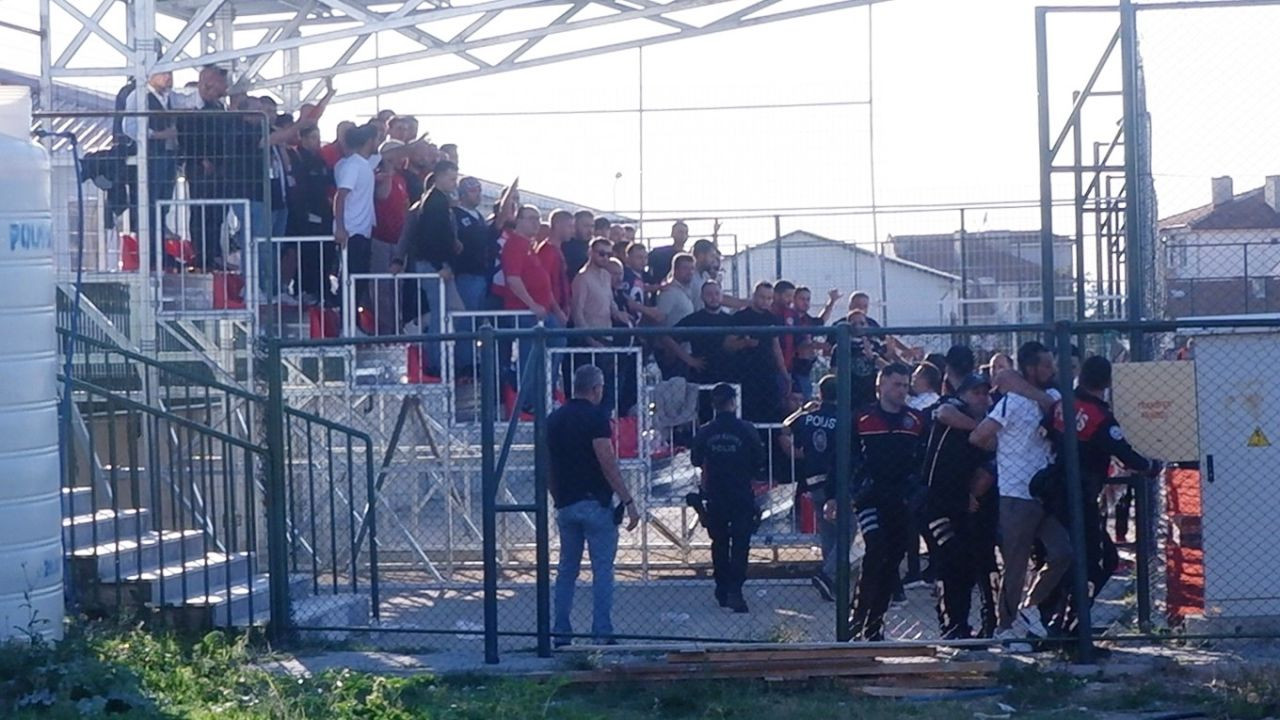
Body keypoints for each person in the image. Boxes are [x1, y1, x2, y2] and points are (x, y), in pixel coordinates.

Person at [1042, 356, 1161, 640]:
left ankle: (1061, 621)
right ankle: (1071, 626)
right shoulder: (1099, 416)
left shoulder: (1063, 406)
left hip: (1055, 493)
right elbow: (1125, 453)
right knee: (1100, 560)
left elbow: (1046, 430)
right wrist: (1152, 466)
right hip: (1079, 496)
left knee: (1075, 558)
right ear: (1108, 382)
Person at [969, 341, 1067, 649]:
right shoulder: (1010, 403)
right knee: (1015, 563)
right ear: (1031, 368)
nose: (1051, 370)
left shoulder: (1052, 396)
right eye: (1045, 365)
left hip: (1044, 494)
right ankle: (1005, 628)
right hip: (1015, 493)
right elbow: (979, 435)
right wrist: (1005, 451)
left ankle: (1029, 606)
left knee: (1063, 551)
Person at [548, 365, 638, 647]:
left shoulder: (554, 419)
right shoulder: (597, 418)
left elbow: (547, 466)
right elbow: (606, 460)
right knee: (602, 570)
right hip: (595, 501)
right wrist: (627, 499)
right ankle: (601, 630)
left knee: (566, 570)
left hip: (567, 502)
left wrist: (557, 496)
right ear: (596, 388)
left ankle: (561, 631)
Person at [837, 363, 926, 642]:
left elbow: (923, 461)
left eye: (905, 385)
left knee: (893, 560)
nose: (902, 390)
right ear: (882, 385)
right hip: (869, 498)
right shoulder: (861, 418)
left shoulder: (916, 420)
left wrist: (916, 490)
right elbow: (843, 458)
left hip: (901, 499)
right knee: (875, 548)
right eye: (897, 384)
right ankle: (858, 616)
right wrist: (839, 493)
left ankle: (875, 623)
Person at [921, 374, 995, 639]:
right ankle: (951, 626)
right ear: (963, 394)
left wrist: (973, 493)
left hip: (963, 505)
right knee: (949, 559)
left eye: (986, 394)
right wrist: (976, 426)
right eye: (976, 393)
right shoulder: (953, 409)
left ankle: (962, 626)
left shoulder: (990, 421)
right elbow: (944, 412)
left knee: (966, 564)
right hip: (935, 503)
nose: (983, 399)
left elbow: (987, 465)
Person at [691, 383, 766, 613]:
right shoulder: (746, 429)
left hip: (715, 493)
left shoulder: (706, 431)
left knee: (720, 542)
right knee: (741, 543)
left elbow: (695, 459)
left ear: (714, 404)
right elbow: (759, 462)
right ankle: (735, 589)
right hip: (741, 493)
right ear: (733, 402)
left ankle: (722, 587)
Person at [782, 375, 840, 601]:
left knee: (827, 532)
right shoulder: (842, 417)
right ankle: (827, 575)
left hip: (814, 480)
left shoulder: (808, 418)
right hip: (837, 479)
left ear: (821, 394)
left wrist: (803, 410)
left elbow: (786, 427)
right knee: (846, 532)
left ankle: (830, 582)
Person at [174, 65, 229, 270]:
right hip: (201, 167)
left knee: (217, 212)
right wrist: (200, 159)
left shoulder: (219, 108)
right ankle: (202, 254)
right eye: (222, 82)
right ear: (209, 83)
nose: (226, 87)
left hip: (220, 167)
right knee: (201, 211)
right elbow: (187, 136)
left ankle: (214, 252)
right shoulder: (191, 107)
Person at [728, 282, 788, 422]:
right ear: (754, 295)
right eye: (762, 297)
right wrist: (744, 343)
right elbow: (728, 345)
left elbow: (776, 347)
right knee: (748, 414)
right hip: (745, 374)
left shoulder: (772, 319)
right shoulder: (740, 317)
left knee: (771, 414)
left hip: (768, 374)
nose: (765, 301)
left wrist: (784, 373)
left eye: (769, 298)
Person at [665, 280, 734, 383]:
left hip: (727, 373)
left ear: (722, 295)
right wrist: (690, 360)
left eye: (717, 293)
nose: (713, 297)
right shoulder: (694, 319)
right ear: (702, 296)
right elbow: (667, 338)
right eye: (709, 294)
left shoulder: (731, 320)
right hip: (701, 375)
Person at [831, 309, 887, 407]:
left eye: (862, 323)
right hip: (850, 397)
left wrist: (872, 356)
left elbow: (887, 369)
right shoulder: (840, 347)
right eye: (854, 324)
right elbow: (834, 373)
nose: (858, 327)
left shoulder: (875, 345)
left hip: (872, 395)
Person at [647, 220, 688, 284]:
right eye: (680, 232)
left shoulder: (688, 257)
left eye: (685, 232)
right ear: (672, 234)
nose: (683, 235)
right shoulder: (658, 253)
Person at [564, 210, 593, 278]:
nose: (590, 230)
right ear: (575, 225)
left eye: (592, 226)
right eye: (586, 226)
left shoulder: (594, 246)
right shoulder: (565, 245)